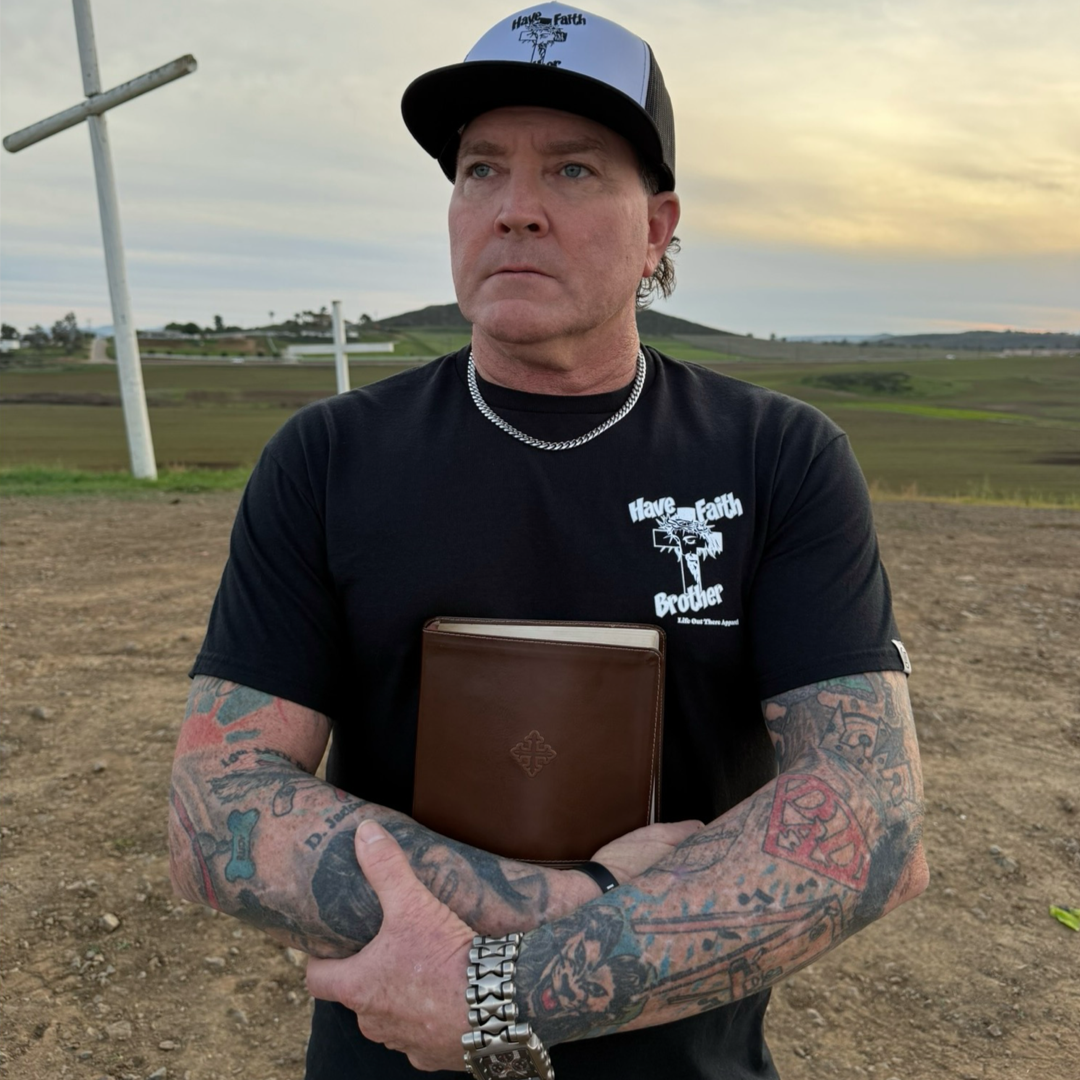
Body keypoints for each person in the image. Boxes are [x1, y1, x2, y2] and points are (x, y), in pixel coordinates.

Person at [169, 5, 928, 1078]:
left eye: (572, 172)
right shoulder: (329, 458)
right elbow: (217, 817)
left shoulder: (779, 457)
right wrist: (586, 900)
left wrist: (493, 995)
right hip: (390, 1054)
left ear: (659, 225)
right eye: (481, 170)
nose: (515, 210)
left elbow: (870, 823)